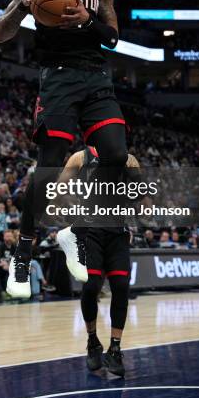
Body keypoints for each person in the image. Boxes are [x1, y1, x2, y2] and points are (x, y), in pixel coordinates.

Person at [0, 0, 128, 298]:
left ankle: (76, 232)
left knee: (116, 154)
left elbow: (113, 37)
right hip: (58, 79)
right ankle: (22, 252)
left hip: (97, 79)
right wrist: (23, 6)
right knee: (50, 164)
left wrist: (86, 20)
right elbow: (1, 33)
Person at [57, 146, 140, 377]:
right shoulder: (80, 157)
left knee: (121, 287)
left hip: (117, 231)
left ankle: (115, 348)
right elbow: (60, 186)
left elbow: (142, 195)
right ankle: (93, 341)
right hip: (90, 231)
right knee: (92, 285)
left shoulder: (129, 160)